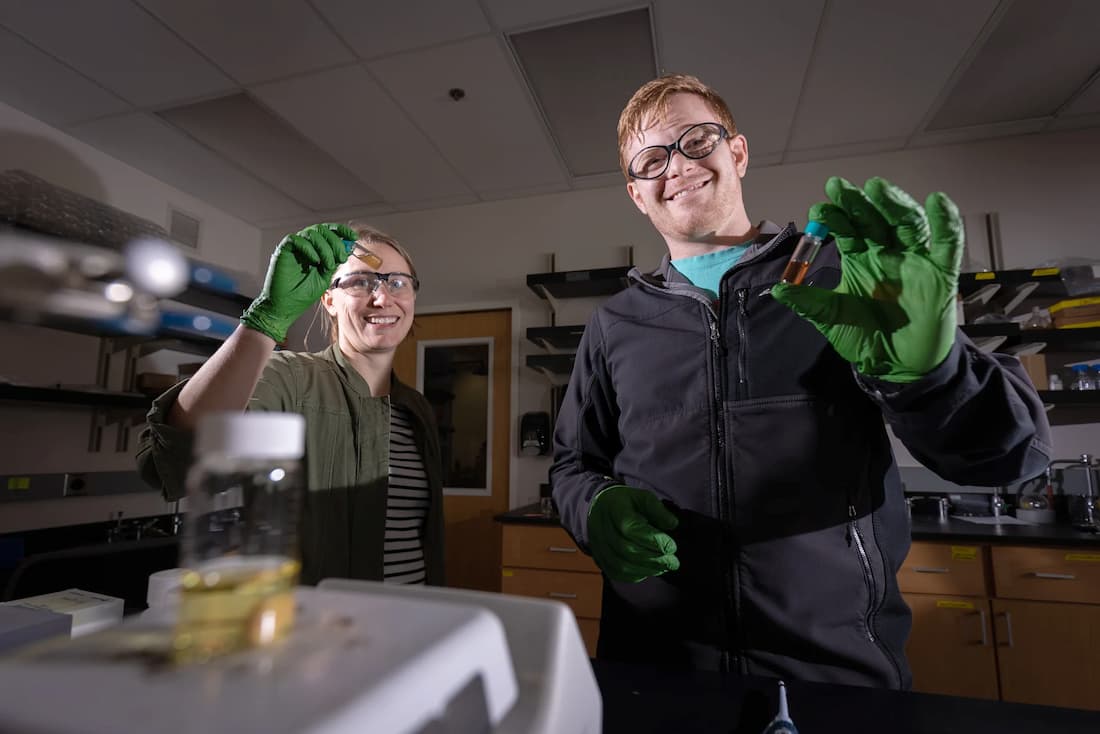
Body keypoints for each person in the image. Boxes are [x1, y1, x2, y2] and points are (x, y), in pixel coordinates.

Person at [549, 73, 1051, 688]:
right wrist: (594, 506)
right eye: (651, 159)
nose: (675, 167)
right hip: (654, 666)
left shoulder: (844, 280)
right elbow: (574, 465)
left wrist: (930, 372)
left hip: (834, 671)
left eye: (696, 141)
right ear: (635, 193)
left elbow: (1011, 457)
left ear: (737, 152)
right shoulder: (614, 323)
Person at [137, 222, 444, 587]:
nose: (382, 297)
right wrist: (267, 319)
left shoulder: (418, 409)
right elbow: (175, 460)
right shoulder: (289, 378)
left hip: (417, 624)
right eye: (360, 282)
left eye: (397, 283)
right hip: (318, 630)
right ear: (329, 300)